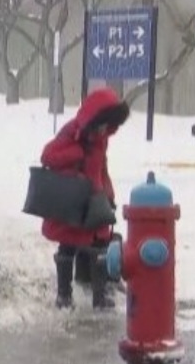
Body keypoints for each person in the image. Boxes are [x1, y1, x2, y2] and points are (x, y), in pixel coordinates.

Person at [40, 87, 129, 310]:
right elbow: (48, 156)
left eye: (108, 124)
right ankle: (64, 296)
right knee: (67, 245)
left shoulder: (102, 137)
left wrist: (108, 194)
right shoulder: (72, 131)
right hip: (72, 198)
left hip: (94, 199)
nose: (103, 129)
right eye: (102, 122)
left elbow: (102, 167)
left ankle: (100, 297)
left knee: (100, 245)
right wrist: (77, 153)